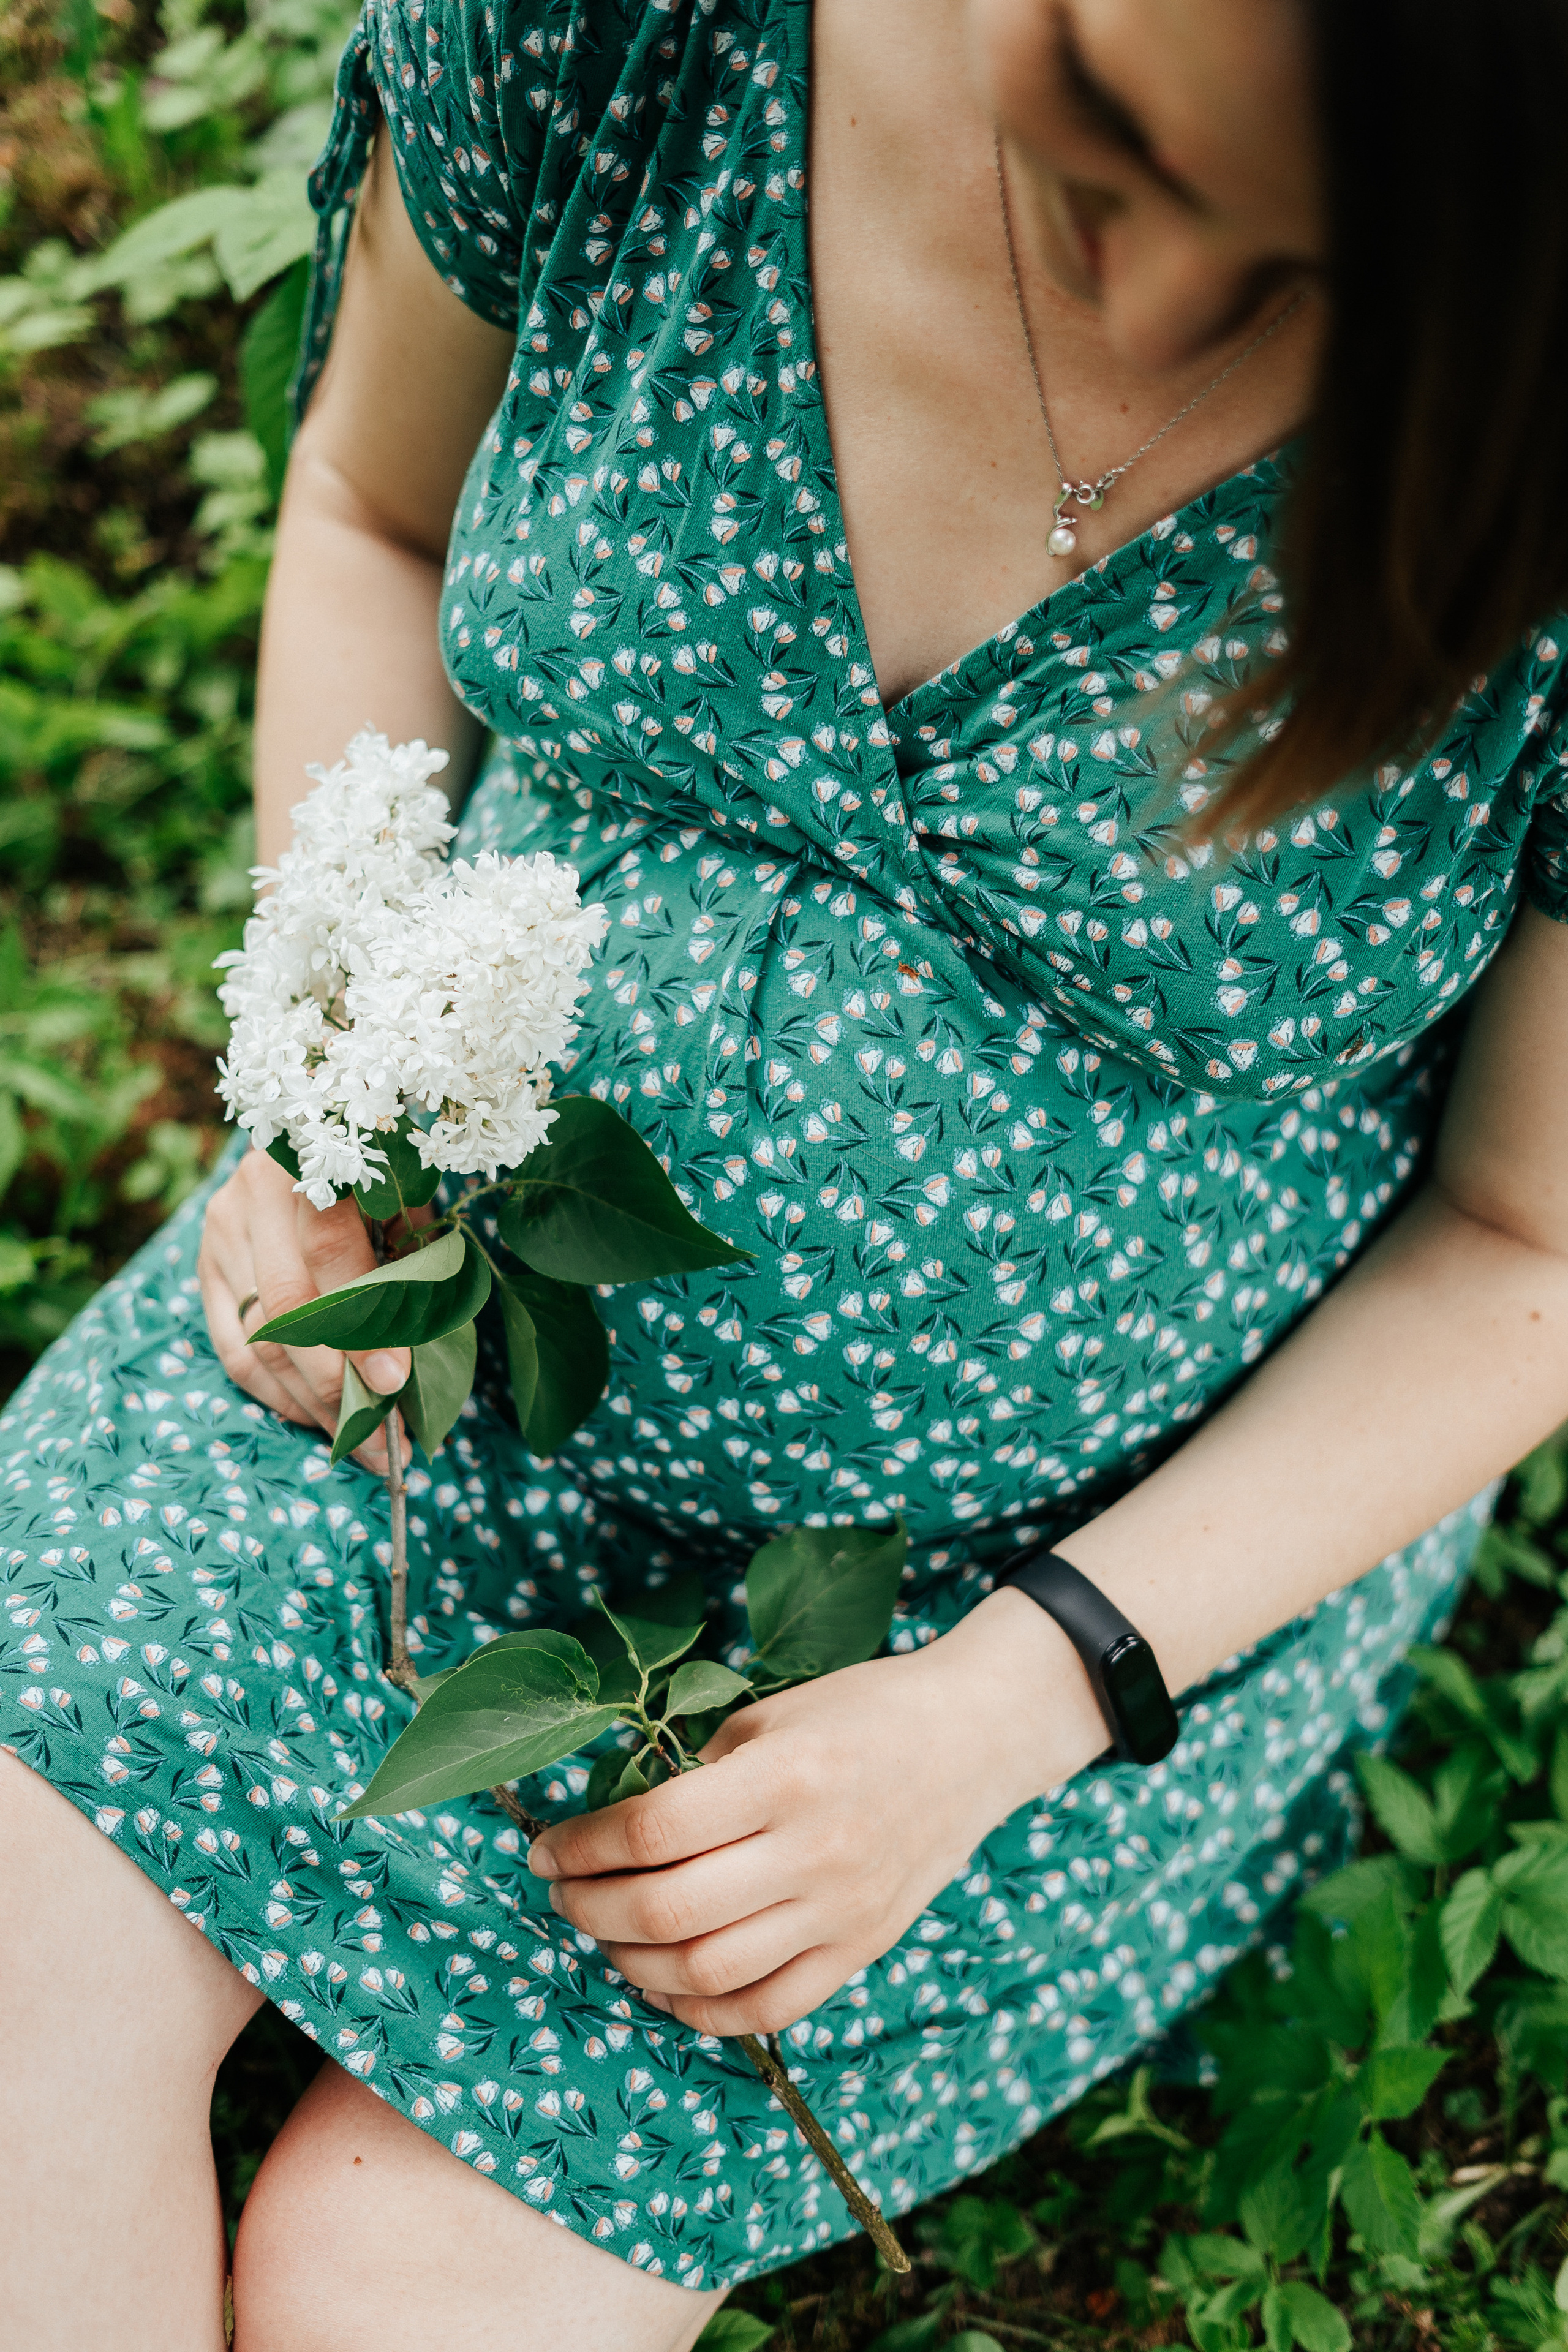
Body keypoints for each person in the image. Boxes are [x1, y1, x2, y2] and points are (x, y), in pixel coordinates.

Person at [6, 0, 1568, 2343]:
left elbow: (1532, 1242)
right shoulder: (623, 31)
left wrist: (1012, 1706)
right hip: (434, 1360)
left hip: (1021, 1595)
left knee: (384, 2293)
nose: (1141, 299)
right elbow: (374, 505)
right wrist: (335, 1088)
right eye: (1109, 133)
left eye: (1304, 271)